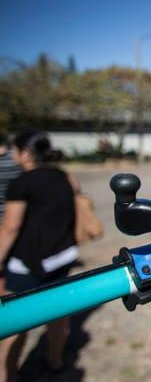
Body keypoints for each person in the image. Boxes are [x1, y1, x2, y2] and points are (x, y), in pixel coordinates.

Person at [0, 131, 78, 381]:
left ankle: (8, 374)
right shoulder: (64, 177)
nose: (12, 155)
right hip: (63, 256)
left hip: (27, 263)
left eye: (14, 150)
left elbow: (10, 228)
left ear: (25, 153)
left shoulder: (22, 183)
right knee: (58, 314)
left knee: (14, 322)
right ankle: (55, 361)